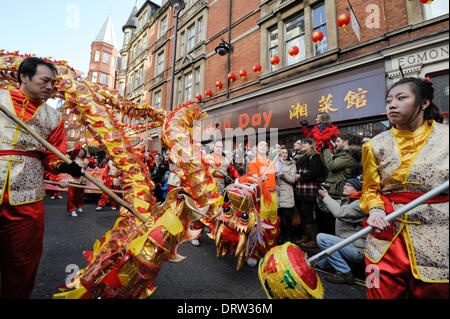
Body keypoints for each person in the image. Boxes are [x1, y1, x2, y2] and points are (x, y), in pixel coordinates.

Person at [0, 57, 83, 298]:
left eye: (53, 84)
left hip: (27, 200)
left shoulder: (54, 117)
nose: (50, 87)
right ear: (24, 77)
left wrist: (65, 166)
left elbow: (51, 157)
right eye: (45, 80)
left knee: (22, 261)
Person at [360, 77, 448, 299]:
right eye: (389, 100)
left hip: (438, 237)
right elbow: (369, 189)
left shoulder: (446, 138)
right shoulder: (373, 145)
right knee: (376, 290)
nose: (392, 104)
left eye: (401, 98)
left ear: (424, 102)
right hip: (383, 241)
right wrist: (376, 210)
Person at [316, 177, 367, 284]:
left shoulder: (360, 203)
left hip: (357, 249)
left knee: (321, 238)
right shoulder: (346, 200)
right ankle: (349, 264)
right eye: (345, 184)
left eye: (349, 185)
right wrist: (321, 197)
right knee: (320, 264)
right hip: (345, 244)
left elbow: (339, 212)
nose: (344, 186)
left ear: (357, 189)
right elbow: (325, 208)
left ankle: (345, 273)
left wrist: (326, 196)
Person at [319, 134, 359, 234]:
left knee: (334, 226)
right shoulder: (340, 154)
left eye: (338, 141)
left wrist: (327, 150)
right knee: (327, 224)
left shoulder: (348, 156)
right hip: (333, 191)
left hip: (339, 194)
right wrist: (323, 150)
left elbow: (331, 166)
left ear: (346, 142)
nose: (335, 144)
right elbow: (326, 164)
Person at [294, 138, 323, 248]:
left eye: (305, 143)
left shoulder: (315, 156)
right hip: (301, 189)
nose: (303, 145)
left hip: (309, 189)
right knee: (302, 214)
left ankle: (314, 239)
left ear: (311, 145)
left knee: (308, 214)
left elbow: (315, 173)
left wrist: (300, 176)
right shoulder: (303, 156)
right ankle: (306, 236)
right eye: (302, 143)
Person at [275, 148, 296, 244]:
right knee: (278, 218)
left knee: (288, 217)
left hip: (286, 194)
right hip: (277, 194)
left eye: (286, 153)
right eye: (282, 153)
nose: (284, 154)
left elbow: (292, 180)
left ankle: (289, 236)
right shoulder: (274, 164)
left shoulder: (291, 164)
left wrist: (283, 174)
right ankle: (280, 235)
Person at [67, 144, 89, 217]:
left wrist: (89, 156)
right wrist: (82, 143)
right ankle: (72, 209)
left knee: (80, 195)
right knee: (71, 196)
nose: (81, 152)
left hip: (82, 179)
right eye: (80, 151)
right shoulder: (74, 158)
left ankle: (79, 206)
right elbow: (74, 151)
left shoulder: (86, 159)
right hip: (73, 179)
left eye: (83, 151)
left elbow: (92, 162)